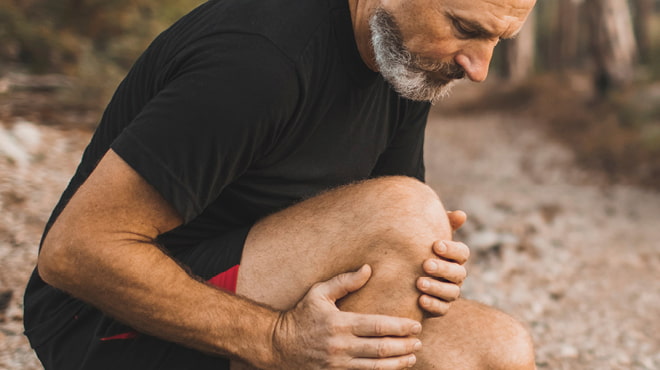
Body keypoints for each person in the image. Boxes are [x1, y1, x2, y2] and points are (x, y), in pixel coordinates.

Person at [24, 0, 537, 369]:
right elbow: (74, 252)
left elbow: (383, 243)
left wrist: (430, 266)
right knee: (403, 213)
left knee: (500, 352)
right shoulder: (261, 60)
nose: (479, 68)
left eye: (496, 40)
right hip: (104, 327)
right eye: (465, 28)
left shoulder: (403, 61)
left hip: (256, 287)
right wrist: (273, 338)